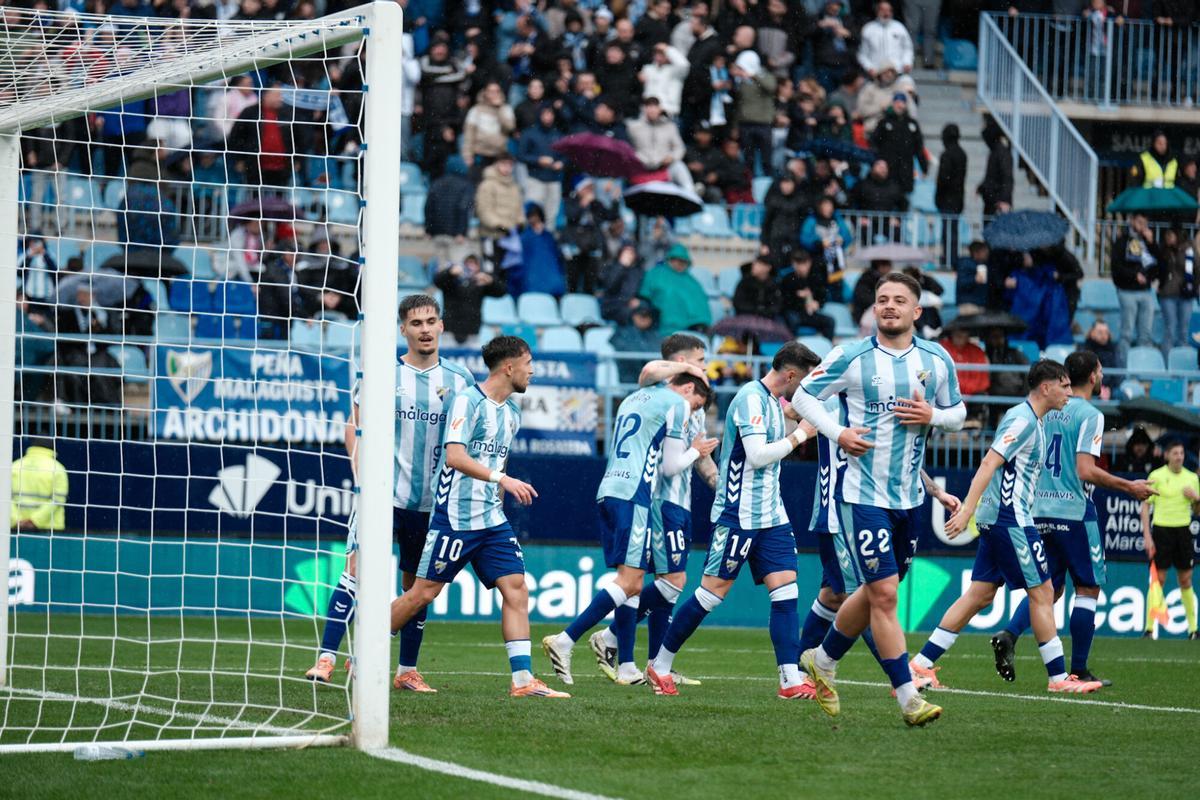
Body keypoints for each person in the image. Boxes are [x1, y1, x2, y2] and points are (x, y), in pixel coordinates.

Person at [793, 270, 966, 726]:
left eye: (898, 300)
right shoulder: (850, 356)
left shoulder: (936, 358)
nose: (889, 305)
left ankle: (823, 660)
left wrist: (935, 416)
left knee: (875, 593)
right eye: (882, 299)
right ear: (873, 308)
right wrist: (838, 432)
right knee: (885, 594)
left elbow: (959, 413)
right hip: (859, 494)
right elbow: (802, 396)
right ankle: (909, 698)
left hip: (908, 499)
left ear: (916, 310)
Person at [305, 295, 475, 691]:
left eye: (432, 321)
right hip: (383, 496)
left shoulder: (460, 380)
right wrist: (360, 468)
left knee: (416, 589)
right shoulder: (382, 373)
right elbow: (355, 424)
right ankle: (327, 658)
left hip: (432, 503)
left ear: (442, 326)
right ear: (403, 330)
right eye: (417, 323)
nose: (426, 329)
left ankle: (406, 672)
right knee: (356, 570)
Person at [384, 336, 567, 699]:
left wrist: (499, 488)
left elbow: (499, 464)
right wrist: (503, 479)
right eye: (529, 363)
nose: (532, 371)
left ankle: (523, 680)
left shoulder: (512, 413)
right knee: (422, 594)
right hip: (454, 517)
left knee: (516, 587)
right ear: (509, 367)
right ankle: (367, 650)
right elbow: (454, 456)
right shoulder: (468, 400)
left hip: (491, 521)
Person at [911, 361, 1105, 694]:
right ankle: (1059, 678)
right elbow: (989, 462)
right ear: (1046, 387)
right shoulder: (1023, 419)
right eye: (1065, 386)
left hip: (999, 517)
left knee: (979, 594)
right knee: (1043, 593)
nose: (1070, 393)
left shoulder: (1034, 419)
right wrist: (968, 509)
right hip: (1010, 519)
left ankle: (920, 665)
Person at [646, 342, 821, 697]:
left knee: (786, 588)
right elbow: (756, 457)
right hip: (739, 513)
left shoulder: (775, 401)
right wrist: (801, 434)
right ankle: (659, 665)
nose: (805, 390)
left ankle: (789, 677)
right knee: (711, 594)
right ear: (790, 375)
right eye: (804, 381)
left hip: (771, 513)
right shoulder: (750, 398)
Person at [992, 351, 1157, 685]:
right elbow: (1085, 470)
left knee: (1047, 590)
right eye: (1100, 371)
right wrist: (1129, 486)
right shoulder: (1091, 415)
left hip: (1038, 511)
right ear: (1094, 376)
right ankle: (1078, 668)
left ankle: (1009, 635)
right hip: (1075, 513)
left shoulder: (1047, 409)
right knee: (1088, 588)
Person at [542, 372, 717, 685]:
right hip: (634, 493)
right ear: (688, 387)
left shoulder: (632, 398)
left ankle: (626, 666)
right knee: (629, 580)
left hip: (610, 487)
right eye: (696, 404)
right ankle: (566, 640)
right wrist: (697, 451)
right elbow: (671, 466)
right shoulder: (676, 403)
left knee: (634, 580)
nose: (693, 411)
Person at [592, 335, 720, 685]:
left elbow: (702, 458)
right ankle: (613, 637)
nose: (706, 368)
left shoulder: (689, 404)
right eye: (701, 360)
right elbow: (649, 370)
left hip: (681, 500)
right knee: (670, 582)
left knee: (668, 583)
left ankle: (655, 664)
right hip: (659, 499)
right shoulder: (659, 392)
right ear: (682, 361)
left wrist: (722, 489)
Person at [1141, 440, 1200, 640]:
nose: (1179, 457)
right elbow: (1145, 505)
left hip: (1183, 531)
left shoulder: (1192, 478)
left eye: (1182, 453)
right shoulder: (1156, 476)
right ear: (1167, 455)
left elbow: (1197, 511)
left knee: (1185, 579)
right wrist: (1147, 536)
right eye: (1175, 453)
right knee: (1159, 580)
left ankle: (1193, 630)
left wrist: (1197, 499)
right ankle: (1149, 629)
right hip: (1162, 531)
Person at [1111, 212, 1159, 365]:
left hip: (1146, 292)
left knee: (1145, 334)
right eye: (1139, 222)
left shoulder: (1148, 242)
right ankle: (1123, 367)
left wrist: (1152, 243)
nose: (1142, 226)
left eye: (1145, 223)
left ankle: (1142, 365)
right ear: (1132, 221)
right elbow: (1116, 267)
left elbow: (1159, 264)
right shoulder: (1122, 241)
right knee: (1127, 333)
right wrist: (1134, 275)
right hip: (1127, 292)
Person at [433, 255, 509, 346]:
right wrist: (449, 272)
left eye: (474, 264)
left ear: (479, 267)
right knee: (447, 359)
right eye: (468, 264)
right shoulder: (451, 281)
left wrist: (491, 281)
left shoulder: (481, 283)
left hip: (472, 330)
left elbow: (501, 292)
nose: (470, 267)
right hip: (449, 329)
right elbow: (437, 281)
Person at [638, 243, 713, 334]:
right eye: (676, 260)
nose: (679, 264)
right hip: (660, 325)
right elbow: (645, 294)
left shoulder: (692, 281)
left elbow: (701, 304)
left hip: (693, 328)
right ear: (670, 259)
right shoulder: (656, 274)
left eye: (682, 261)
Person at [516, 105, 565, 230]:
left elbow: (566, 155)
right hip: (535, 179)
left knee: (551, 216)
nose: (548, 117)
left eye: (550, 114)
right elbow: (521, 155)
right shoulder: (529, 133)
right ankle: (530, 240)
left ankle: (547, 241)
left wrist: (562, 163)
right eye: (545, 114)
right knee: (532, 213)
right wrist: (538, 160)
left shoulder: (558, 134)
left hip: (554, 179)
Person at [475, 154, 525, 275]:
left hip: (510, 238)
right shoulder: (487, 185)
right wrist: (500, 225)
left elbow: (519, 209)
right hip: (491, 235)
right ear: (496, 164)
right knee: (491, 271)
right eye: (504, 164)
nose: (507, 168)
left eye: (510, 165)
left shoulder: (514, 187)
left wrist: (520, 223)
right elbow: (484, 210)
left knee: (507, 272)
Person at [869, 92, 927, 195]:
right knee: (887, 195)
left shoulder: (912, 124)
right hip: (888, 169)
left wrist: (924, 168)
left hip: (906, 169)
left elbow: (919, 148)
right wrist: (878, 161)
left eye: (902, 102)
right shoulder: (884, 122)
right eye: (897, 102)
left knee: (905, 198)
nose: (899, 105)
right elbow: (874, 142)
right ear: (893, 104)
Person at [626, 96, 690, 188]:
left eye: (655, 107)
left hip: (664, 167)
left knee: (679, 166)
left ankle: (692, 196)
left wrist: (672, 157)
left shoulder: (669, 126)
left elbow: (680, 148)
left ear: (660, 109)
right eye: (649, 106)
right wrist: (636, 158)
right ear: (644, 109)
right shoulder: (633, 127)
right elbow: (626, 148)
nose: (652, 110)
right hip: (641, 168)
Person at [731, 48, 777, 176]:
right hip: (746, 124)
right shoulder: (740, 82)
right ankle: (749, 186)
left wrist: (753, 75)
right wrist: (735, 126)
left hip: (764, 124)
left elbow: (771, 87)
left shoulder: (765, 75)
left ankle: (769, 185)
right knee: (748, 160)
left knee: (766, 159)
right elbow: (739, 105)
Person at [425, 155, 475, 269]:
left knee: (442, 269)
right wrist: (461, 232)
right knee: (458, 267)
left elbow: (428, 207)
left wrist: (429, 229)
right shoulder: (465, 185)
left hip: (437, 233)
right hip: (455, 234)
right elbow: (463, 208)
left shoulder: (437, 183)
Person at [10, 438, 68, 532]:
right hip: (49, 529)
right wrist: (34, 521)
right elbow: (58, 500)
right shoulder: (58, 469)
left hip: (15, 528)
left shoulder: (14, 466)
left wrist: (17, 520)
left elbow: (5, 498)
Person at [1155, 228, 1195, 358]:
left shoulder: (1189, 249)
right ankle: (1166, 365)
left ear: (1177, 235)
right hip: (1168, 294)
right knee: (1170, 328)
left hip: (1186, 295)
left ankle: (1180, 365)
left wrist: (1194, 287)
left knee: (1183, 330)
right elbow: (1158, 270)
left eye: (1170, 235)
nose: (1168, 238)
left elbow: (1197, 269)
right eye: (1166, 235)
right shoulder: (1164, 251)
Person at [512, 204, 566, 298]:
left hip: (551, 286)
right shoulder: (525, 238)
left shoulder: (549, 237)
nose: (536, 222)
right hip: (533, 286)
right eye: (532, 217)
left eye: (537, 218)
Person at [781, 249, 836, 339]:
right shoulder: (788, 279)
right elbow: (784, 302)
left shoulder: (816, 278)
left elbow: (823, 295)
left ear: (809, 263)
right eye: (798, 264)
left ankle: (826, 347)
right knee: (793, 321)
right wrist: (798, 297)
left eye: (804, 263)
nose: (801, 267)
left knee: (830, 321)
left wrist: (817, 303)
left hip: (809, 314)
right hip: (793, 312)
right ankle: (791, 347)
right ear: (793, 264)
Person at [611, 302, 666, 383]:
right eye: (640, 314)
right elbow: (627, 354)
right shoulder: (621, 333)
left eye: (648, 315)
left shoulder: (656, 335)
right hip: (628, 381)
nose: (644, 318)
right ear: (633, 315)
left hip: (652, 385)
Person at [936, 124, 967, 263]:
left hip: (948, 198)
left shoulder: (947, 154)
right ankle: (951, 257)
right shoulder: (962, 154)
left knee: (948, 231)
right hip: (958, 197)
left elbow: (943, 179)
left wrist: (939, 196)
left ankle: (949, 258)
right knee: (953, 230)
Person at [857, 1, 914, 76]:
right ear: (877, 12)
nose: (886, 13)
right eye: (882, 10)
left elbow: (908, 48)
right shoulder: (868, 29)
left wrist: (907, 62)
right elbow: (862, 54)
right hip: (876, 73)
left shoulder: (900, 27)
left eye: (888, 10)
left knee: (908, 86)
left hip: (897, 72)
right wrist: (869, 68)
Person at [639, 42, 691, 117]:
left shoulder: (675, 71)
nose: (659, 57)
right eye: (657, 54)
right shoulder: (647, 69)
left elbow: (685, 65)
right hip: (649, 113)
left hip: (668, 111)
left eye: (662, 54)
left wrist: (668, 49)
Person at [599, 244, 646, 325]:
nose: (628, 255)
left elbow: (642, 293)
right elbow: (610, 286)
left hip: (631, 306)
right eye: (626, 252)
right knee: (629, 314)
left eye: (631, 252)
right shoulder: (611, 267)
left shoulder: (638, 272)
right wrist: (621, 266)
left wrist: (639, 302)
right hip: (612, 306)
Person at [941, 325, 990, 397]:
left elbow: (982, 381)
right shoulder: (941, 348)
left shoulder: (977, 351)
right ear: (952, 333)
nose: (961, 335)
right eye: (958, 332)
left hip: (972, 397)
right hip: (948, 395)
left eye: (964, 330)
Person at [978, 118, 1013, 218]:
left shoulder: (1001, 152)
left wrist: (1005, 200)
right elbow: (991, 177)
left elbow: (1007, 177)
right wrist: (982, 187)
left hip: (997, 204)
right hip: (991, 201)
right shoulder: (995, 151)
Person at [732, 257, 784, 323]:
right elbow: (738, 302)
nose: (754, 267)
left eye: (758, 264)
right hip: (746, 318)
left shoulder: (774, 285)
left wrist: (764, 312)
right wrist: (756, 310)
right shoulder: (745, 282)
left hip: (768, 319)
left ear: (768, 268)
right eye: (754, 264)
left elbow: (777, 305)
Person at [955, 241, 990, 314]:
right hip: (968, 304)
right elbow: (961, 283)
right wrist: (974, 279)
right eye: (984, 252)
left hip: (980, 303)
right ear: (976, 253)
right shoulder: (965, 264)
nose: (987, 254)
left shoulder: (983, 265)